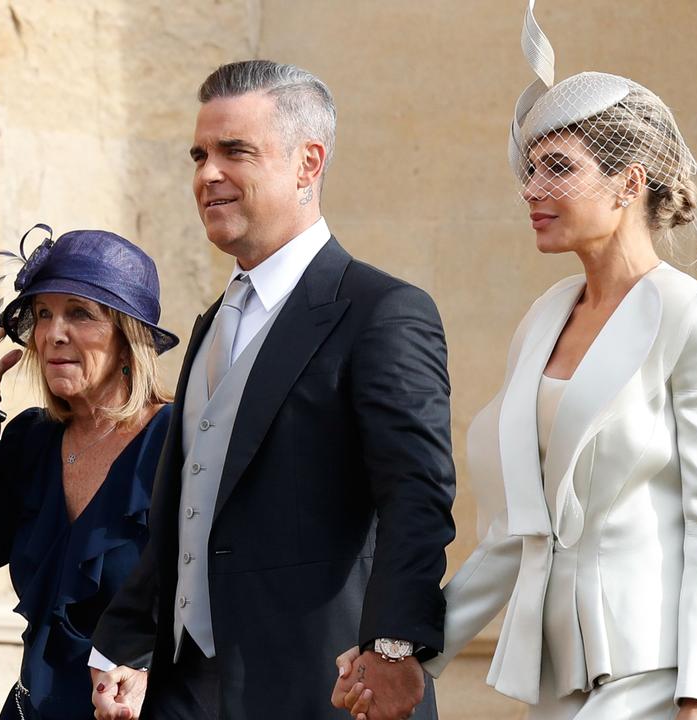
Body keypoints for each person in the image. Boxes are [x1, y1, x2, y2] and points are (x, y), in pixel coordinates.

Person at [350, 3, 697, 719]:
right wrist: (403, 653)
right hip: (556, 683)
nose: (530, 190)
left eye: (557, 169)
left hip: (653, 676)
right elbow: (515, 532)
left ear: (630, 183)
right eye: (530, 170)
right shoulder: (542, 319)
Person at [87, 60, 456, 720]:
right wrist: (128, 641)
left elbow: (418, 496)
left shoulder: (382, 311)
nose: (206, 175)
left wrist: (395, 649)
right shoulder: (210, 323)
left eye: (235, 151)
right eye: (199, 154)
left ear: (307, 164)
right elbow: (187, 505)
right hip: (187, 690)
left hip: (324, 692)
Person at [0, 227, 180, 720]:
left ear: (128, 337)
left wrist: (150, 671)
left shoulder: (179, 441)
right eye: (43, 314)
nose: (53, 333)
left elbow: (226, 595)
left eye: (80, 313)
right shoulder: (33, 440)